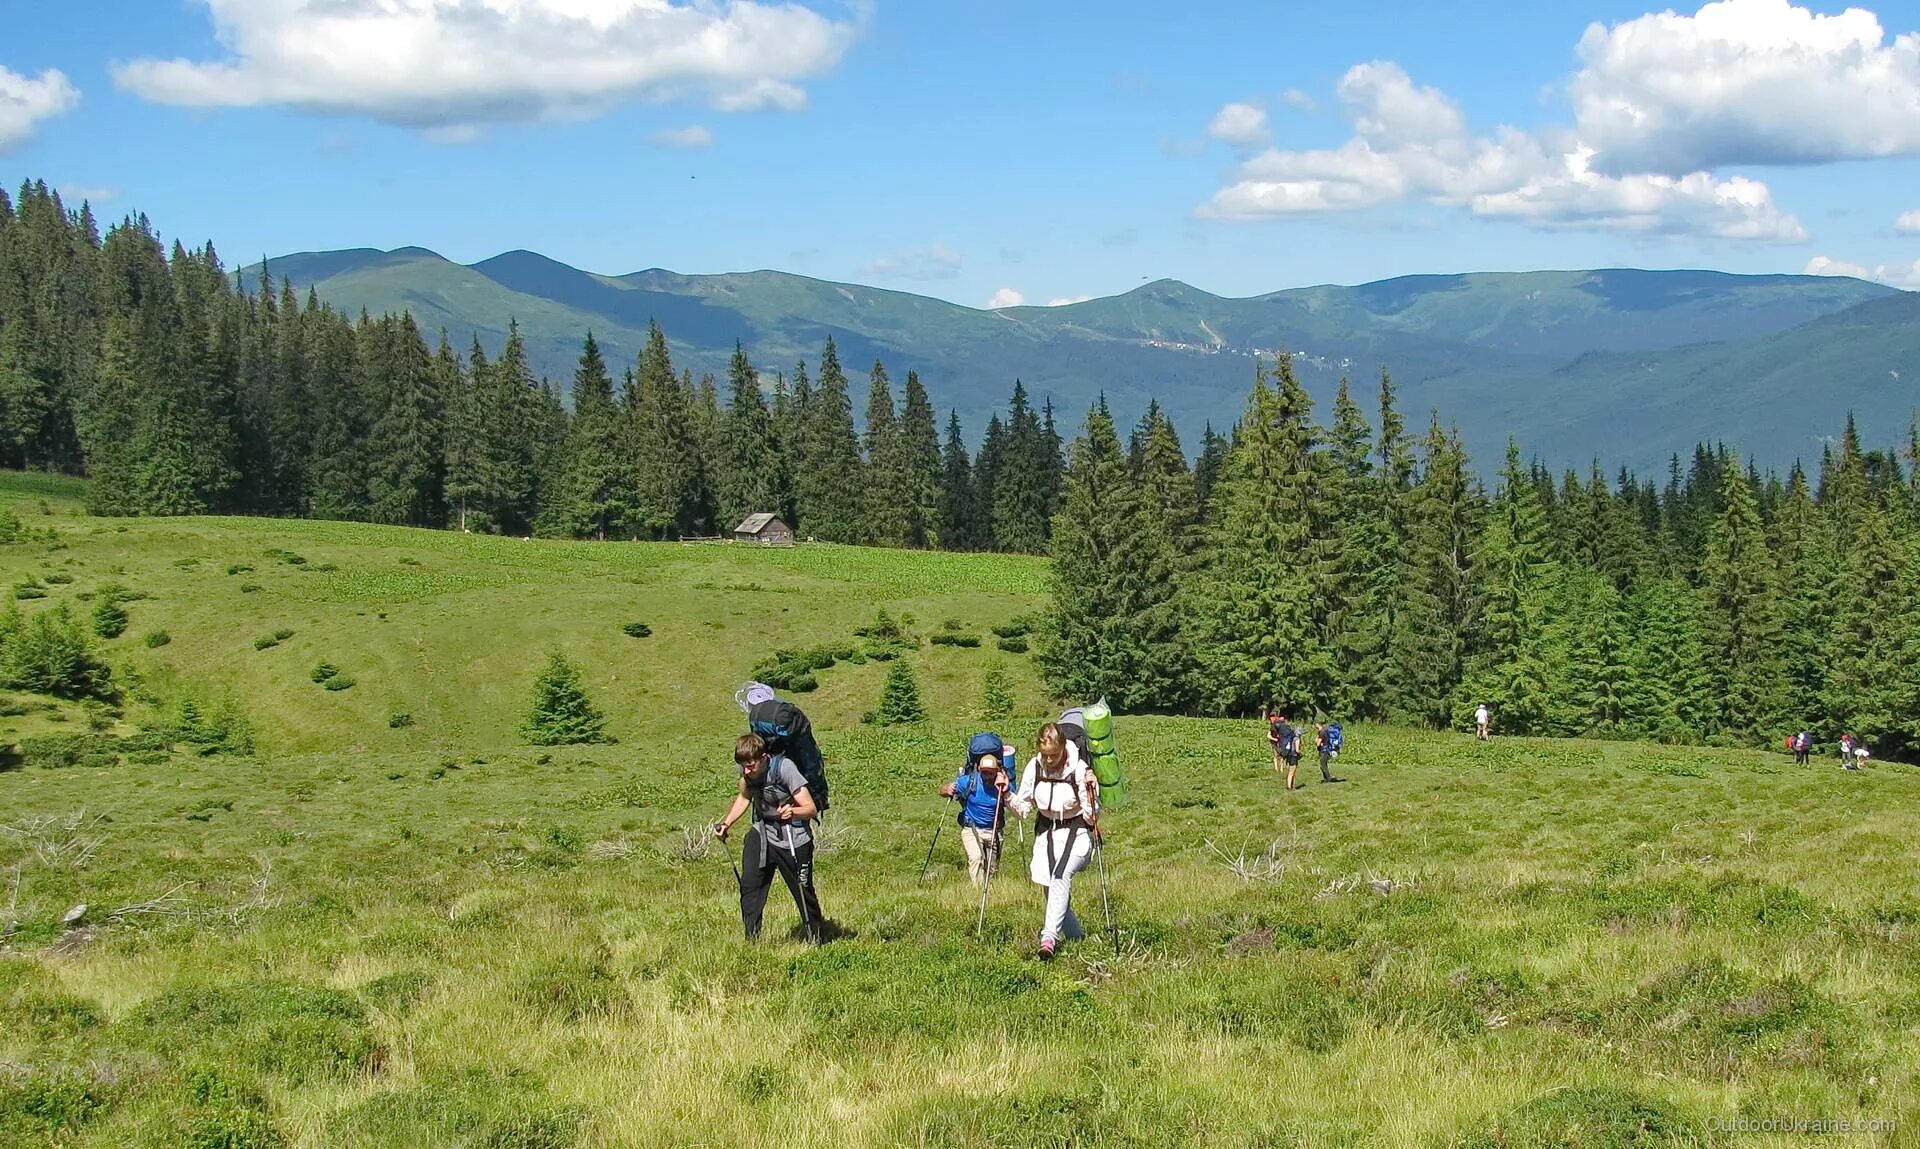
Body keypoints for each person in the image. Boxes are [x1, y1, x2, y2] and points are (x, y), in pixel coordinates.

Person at [715, 733, 823, 943]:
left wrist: (793, 811)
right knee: (750, 886)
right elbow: (744, 797)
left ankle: (815, 937)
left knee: (802, 889)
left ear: (764, 757)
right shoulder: (746, 772)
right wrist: (726, 823)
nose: (746, 770)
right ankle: (752, 940)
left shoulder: (785, 769)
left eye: (751, 765)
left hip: (793, 836)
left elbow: (810, 808)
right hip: (763, 832)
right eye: (743, 766)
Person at [1007, 722, 1099, 960]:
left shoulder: (1079, 769)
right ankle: (1078, 938)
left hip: (1077, 833)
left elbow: (1092, 817)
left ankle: (1048, 938)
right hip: (1046, 832)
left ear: (1062, 748)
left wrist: (1090, 790)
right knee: (1052, 891)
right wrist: (1007, 794)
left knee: (1060, 876)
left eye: (1053, 755)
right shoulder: (1034, 767)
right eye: (1045, 755)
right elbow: (1024, 809)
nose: (1049, 761)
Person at [942, 732, 1011, 887]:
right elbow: (944, 791)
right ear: (979, 769)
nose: (987, 776)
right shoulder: (969, 781)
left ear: (996, 771)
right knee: (976, 858)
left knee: (992, 869)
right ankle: (976, 891)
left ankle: (990, 892)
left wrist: (1006, 791)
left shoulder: (1003, 784)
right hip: (971, 828)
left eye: (990, 773)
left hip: (994, 830)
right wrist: (946, 789)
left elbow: (1014, 801)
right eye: (984, 772)